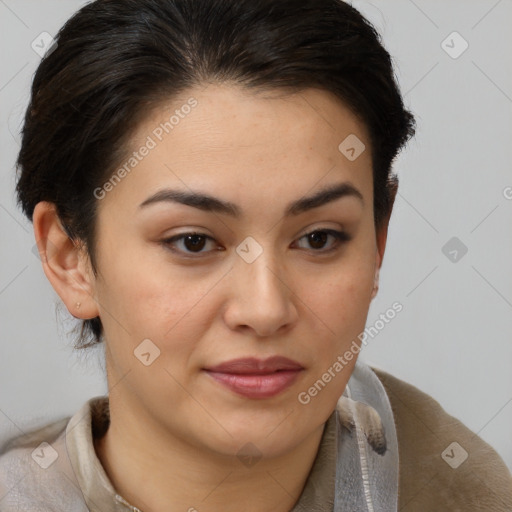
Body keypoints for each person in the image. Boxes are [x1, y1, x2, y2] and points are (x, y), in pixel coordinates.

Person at [1, 0, 511, 510]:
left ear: (378, 240)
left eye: (319, 238)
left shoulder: (464, 491)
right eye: (193, 241)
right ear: (70, 258)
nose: (265, 310)